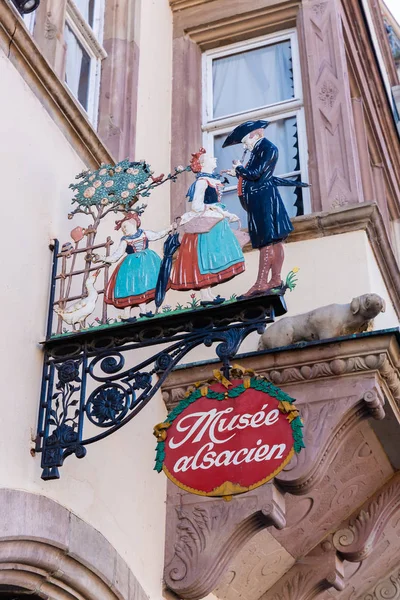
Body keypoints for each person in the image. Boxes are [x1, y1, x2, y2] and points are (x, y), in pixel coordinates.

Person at [223, 120, 308, 299]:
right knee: (273, 239)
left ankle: (262, 282)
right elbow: (253, 173)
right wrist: (237, 172)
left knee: (267, 240)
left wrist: (239, 167)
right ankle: (274, 279)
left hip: (263, 199)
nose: (245, 145)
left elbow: (255, 174)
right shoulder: (259, 149)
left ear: (255, 135)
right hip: (262, 197)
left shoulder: (267, 148)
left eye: (245, 140)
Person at [170, 148, 245, 305]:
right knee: (204, 256)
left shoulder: (212, 180)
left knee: (213, 256)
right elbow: (197, 206)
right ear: (203, 163)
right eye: (212, 158)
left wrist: (225, 214)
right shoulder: (202, 182)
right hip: (206, 225)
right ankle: (205, 295)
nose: (216, 159)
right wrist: (219, 211)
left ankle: (209, 294)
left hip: (215, 222)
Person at [101, 213, 170, 320]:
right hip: (130, 266)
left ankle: (143, 311)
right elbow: (116, 255)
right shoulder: (125, 240)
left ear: (134, 224)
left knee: (143, 286)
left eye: (125, 226)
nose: (124, 229)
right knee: (129, 287)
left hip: (147, 262)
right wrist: (103, 258)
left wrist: (168, 229)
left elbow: (157, 235)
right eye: (123, 228)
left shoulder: (144, 234)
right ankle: (126, 314)